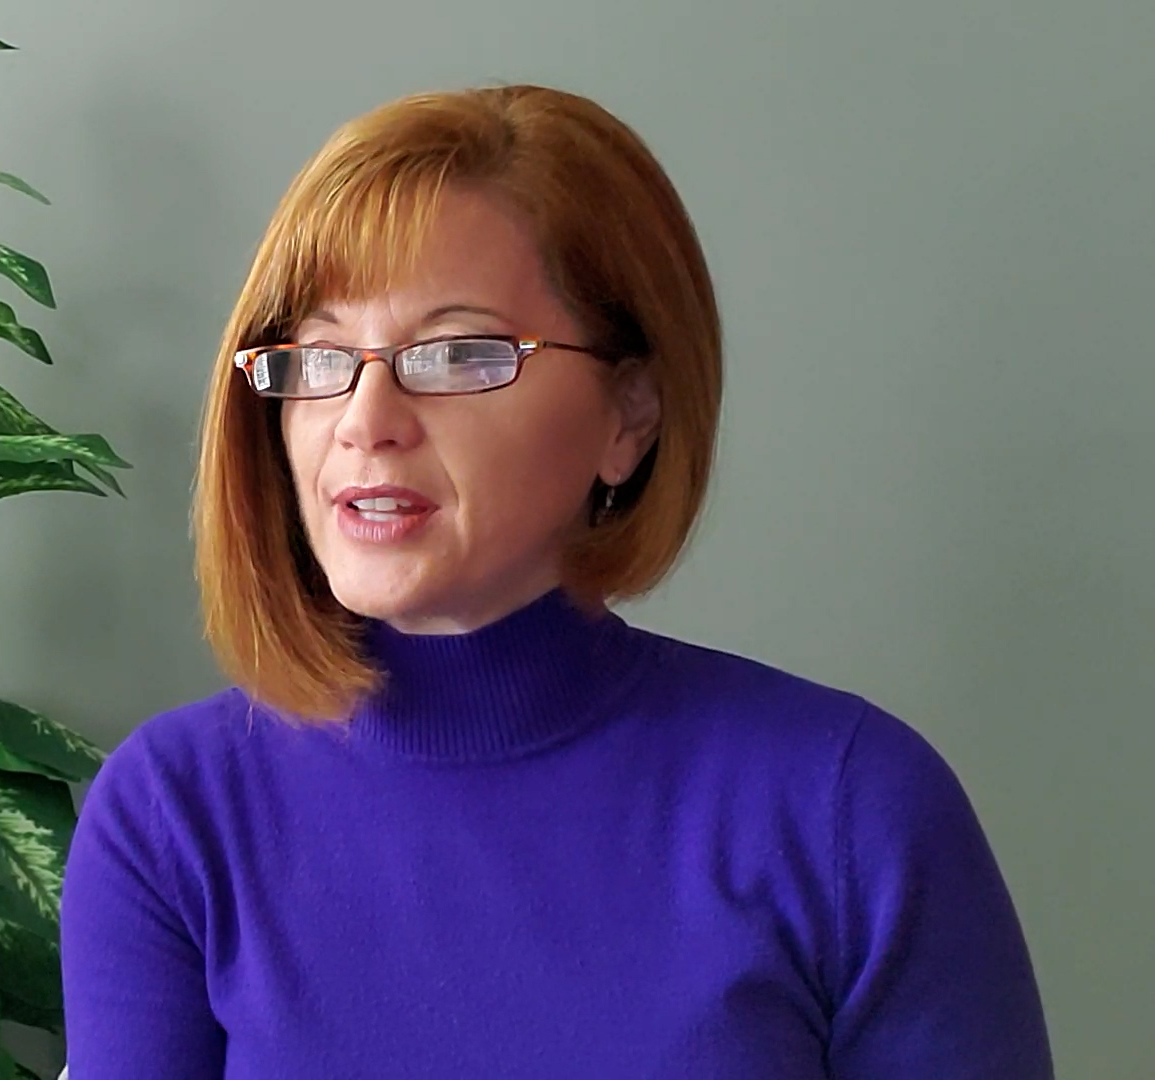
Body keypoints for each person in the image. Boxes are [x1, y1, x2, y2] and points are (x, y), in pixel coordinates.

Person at [58, 84, 1052, 1078]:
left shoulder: (848, 807)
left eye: (454, 353)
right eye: (320, 356)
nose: (365, 419)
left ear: (632, 414)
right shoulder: (174, 814)